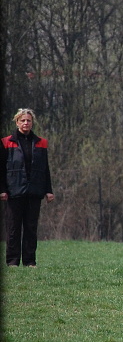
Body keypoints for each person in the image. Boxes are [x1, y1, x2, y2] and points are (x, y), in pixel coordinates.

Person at [1, 108, 55, 267]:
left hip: (34, 191)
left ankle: (30, 262)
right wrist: (2, 189)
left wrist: (48, 190)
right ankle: (12, 261)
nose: (26, 123)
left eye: (28, 120)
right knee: (13, 228)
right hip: (13, 192)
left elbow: (45, 168)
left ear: (32, 123)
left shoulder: (41, 143)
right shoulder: (5, 142)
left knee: (31, 228)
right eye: (22, 120)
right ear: (17, 122)